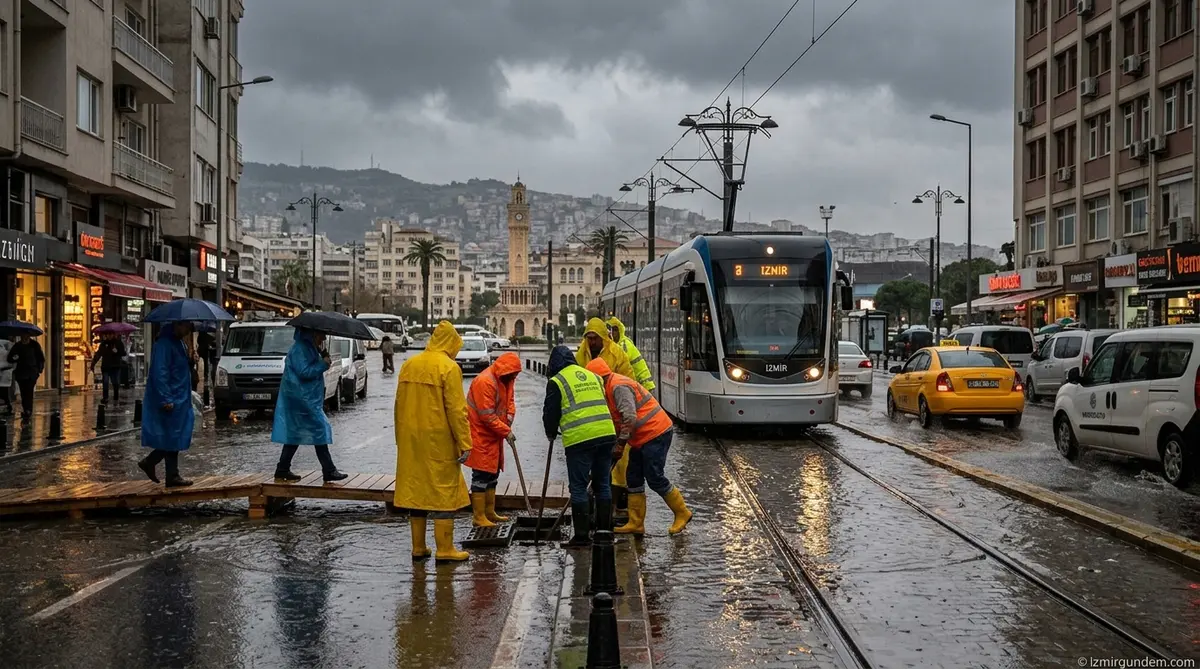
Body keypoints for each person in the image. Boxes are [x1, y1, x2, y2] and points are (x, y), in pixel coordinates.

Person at [394, 321, 473, 562]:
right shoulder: (449, 368)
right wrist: (465, 442)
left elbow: (398, 405)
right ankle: (445, 548)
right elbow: (457, 410)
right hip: (439, 439)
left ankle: (418, 547)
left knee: (416, 489)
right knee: (443, 491)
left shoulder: (409, 365)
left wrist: (400, 437)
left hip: (411, 438)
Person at [586, 358, 692, 535]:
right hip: (640, 438)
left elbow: (629, 417)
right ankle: (636, 523)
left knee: (654, 476)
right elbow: (616, 420)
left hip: (656, 432)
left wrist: (620, 444)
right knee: (633, 477)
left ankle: (682, 512)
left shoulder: (618, 387)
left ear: (599, 378)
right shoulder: (608, 388)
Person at [544, 344, 617, 548]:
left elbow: (551, 412)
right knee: (603, 484)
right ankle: (604, 533)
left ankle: (582, 537)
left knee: (578, 487)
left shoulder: (557, 381)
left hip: (580, 439)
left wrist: (550, 432)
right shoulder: (593, 376)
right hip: (606, 433)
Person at [574, 317, 635, 515]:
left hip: (613, 412)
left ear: (603, 337)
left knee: (618, 462)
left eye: (595, 338)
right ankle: (599, 503)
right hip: (591, 415)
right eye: (589, 338)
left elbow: (627, 381)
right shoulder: (582, 353)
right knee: (594, 459)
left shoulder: (617, 354)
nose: (591, 342)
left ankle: (617, 503)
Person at [271, 329, 347, 483]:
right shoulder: (300, 349)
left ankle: (283, 468)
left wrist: (322, 357)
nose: (323, 338)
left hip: (304, 397)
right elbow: (304, 372)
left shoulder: (308, 347)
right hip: (302, 398)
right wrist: (323, 364)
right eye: (321, 335)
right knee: (320, 429)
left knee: (296, 432)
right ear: (313, 334)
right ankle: (329, 470)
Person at [464, 351, 521, 527]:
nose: (514, 378)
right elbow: (486, 416)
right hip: (481, 434)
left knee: (492, 472)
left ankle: (489, 512)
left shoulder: (506, 378)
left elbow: (510, 401)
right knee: (481, 474)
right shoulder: (485, 382)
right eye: (513, 374)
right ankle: (478, 516)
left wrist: (509, 419)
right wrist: (506, 431)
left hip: (495, 433)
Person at [137, 322, 196, 487]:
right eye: (186, 327)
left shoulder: (179, 342)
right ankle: (152, 462)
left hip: (179, 395)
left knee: (175, 434)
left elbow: (179, 367)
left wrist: (191, 360)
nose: (188, 331)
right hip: (172, 396)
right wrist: (165, 398)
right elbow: (160, 372)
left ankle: (171, 474)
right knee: (172, 436)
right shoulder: (164, 344)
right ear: (177, 325)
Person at [606, 317, 654, 391]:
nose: (613, 333)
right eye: (610, 330)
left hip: (626, 387)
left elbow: (639, 367)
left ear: (620, 331)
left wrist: (648, 387)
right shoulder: (604, 346)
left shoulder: (627, 346)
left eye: (615, 330)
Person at [7, 334, 44, 419]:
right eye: (23, 337)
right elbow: (10, 358)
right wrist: (15, 358)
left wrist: (39, 370)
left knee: (29, 391)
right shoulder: (17, 346)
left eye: (26, 337)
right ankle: (26, 409)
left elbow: (40, 358)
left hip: (32, 373)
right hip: (21, 374)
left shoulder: (34, 345)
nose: (25, 338)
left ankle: (28, 410)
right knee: (23, 392)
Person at [92, 332, 128, 404]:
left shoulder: (118, 343)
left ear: (113, 335)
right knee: (105, 382)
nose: (109, 336)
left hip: (115, 366)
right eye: (108, 334)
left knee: (115, 382)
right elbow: (99, 354)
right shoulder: (103, 344)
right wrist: (93, 363)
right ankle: (105, 397)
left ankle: (116, 397)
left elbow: (123, 353)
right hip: (106, 366)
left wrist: (117, 351)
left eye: (111, 334)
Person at [0, 336, 13, 415]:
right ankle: (7, 407)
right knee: (4, 392)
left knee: (4, 392)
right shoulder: (8, 345)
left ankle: (7, 407)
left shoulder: (8, 345)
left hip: (5, 373)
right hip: (6, 372)